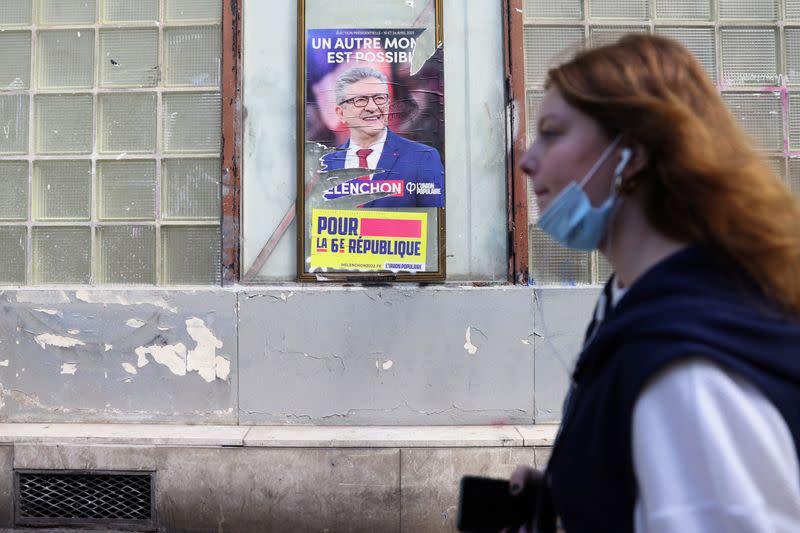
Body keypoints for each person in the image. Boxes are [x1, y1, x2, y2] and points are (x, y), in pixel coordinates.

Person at [510, 34, 800, 533]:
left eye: (552, 133)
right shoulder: (636, 304)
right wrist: (576, 493)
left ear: (632, 154)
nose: (527, 159)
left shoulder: (684, 369)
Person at [320, 66, 445, 208]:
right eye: (360, 100)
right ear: (341, 113)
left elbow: (433, 224)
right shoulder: (324, 166)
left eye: (379, 98)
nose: (372, 107)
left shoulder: (423, 159)